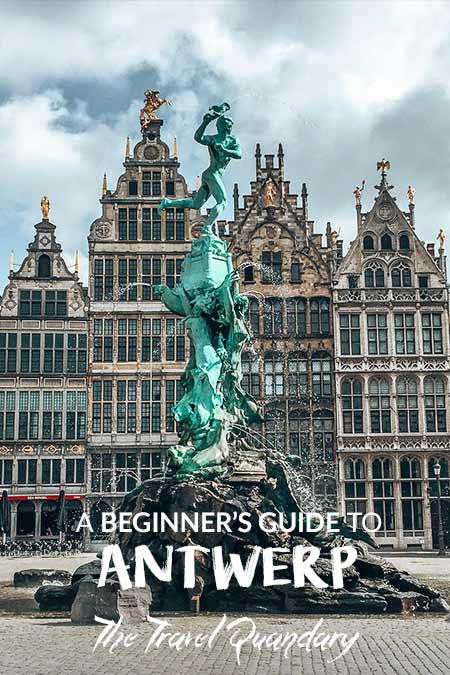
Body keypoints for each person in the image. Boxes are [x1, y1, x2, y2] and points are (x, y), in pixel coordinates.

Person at [158, 108, 242, 234]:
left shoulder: (232, 141)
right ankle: (207, 227)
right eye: (228, 125)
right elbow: (198, 137)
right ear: (224, 126)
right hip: (212, 174)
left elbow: (238, 154)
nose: (229, 127)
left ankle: (167, 203)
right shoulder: (213, 139)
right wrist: (205, 122)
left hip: (212, 175)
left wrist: (224, 149)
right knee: (222, 202)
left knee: (195, 204)